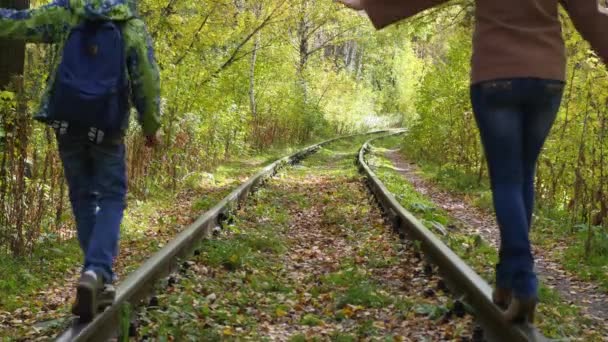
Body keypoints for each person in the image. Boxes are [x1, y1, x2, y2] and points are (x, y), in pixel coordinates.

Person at [337, 0, 607, 324]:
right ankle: (508, 278)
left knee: (507, 179)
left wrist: (369, 4)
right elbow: (589, 14)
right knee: (522, 175)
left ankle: (522, 281)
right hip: (546, 78)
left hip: (496, 76)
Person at [0, 0, 161, 320]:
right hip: (107, 125)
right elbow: (146, 76)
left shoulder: (65, 12)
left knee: (82, 196)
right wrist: (151, 126)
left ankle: (96, 276)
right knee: (113, 196)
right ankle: (97, 271)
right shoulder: (129, 24)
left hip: (67, 121)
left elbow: (16, 23)